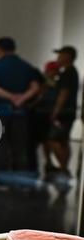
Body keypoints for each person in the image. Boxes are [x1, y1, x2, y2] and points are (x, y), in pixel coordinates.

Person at [0, 37, 40, 172]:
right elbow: (35, 87)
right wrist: (20, 99)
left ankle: (0, 176)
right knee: (19, 147)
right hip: (19, 112)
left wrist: (10, 96)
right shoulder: (26, 66)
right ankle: (18, 177)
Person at [46, 46, 79, 177]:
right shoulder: (71, 72)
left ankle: (63, 168)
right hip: (69, 112)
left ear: (67, 56)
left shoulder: (67, 73)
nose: (58, 57)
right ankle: (64, 168)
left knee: (53, 139)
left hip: (63, 112)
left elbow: (63, 94)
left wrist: (55, 112)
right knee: (63, 141)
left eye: (60, 55)